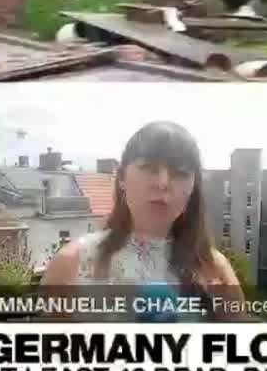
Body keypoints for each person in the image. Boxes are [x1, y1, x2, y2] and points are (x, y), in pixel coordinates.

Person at [41, 120, 247, 320]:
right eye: (149, 168)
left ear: (194, 187)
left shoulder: (213, 267)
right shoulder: (73, 262)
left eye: (180, 173)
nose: (163, 183)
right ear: (121, 177)